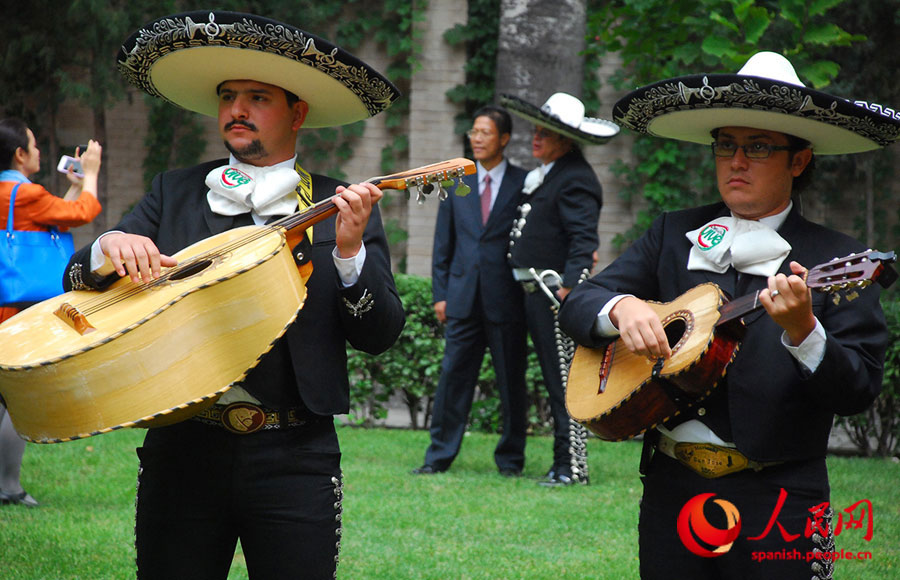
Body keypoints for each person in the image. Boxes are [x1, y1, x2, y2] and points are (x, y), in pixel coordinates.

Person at [63, 11, 405, 578]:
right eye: (227, 96)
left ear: (298, 114)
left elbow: (381, 334)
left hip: (296, 454)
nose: (236, 110)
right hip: (182, 449)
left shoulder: (344, 207)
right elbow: (76, 280)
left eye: (257, 97)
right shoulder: (173, 192)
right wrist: (109, 245)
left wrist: (348, 256)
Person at [559, 52, 899, 578]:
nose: (736, 161)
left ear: (799, 160)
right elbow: (581, 304)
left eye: (758, 147)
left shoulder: (840, 260)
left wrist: (805, 332)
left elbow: (857, 391)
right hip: (673, 489)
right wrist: (620, 306)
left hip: (783, 497)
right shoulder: (673, 233)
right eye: (726, 145)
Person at [500, 92, 619, 486]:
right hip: (536, 292)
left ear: (566, 141)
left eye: (545, 134)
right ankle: (561, 463)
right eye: (535, 131)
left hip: (555, 296)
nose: (536, 139)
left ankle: (571, 467)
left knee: (563, 382)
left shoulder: (576, 178)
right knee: (555, 379)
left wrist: (569, 291)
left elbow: (583, 240)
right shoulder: (554, 173)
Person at [413, 105, 528, 476]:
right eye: (474, 132)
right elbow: (442, 244)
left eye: (485, 133)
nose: (476, 139)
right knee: (452, 381)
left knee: (512, 383)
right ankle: (437, 458)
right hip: (461, 299)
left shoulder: (525, 183)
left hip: (506, 300)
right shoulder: (455, 183)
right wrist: (440, 294)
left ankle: (511, 461)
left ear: (504, 139)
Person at [0, 118, 102, 507]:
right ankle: (8, 487)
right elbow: (84, 212)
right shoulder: (23, 194)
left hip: (3, 300)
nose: (40, 151)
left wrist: (73, 184)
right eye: (34, 145)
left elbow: (54, 214)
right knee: (15, 399)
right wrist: (90, 175)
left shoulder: (15, 194)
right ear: (20, 154)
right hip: (18, 308)